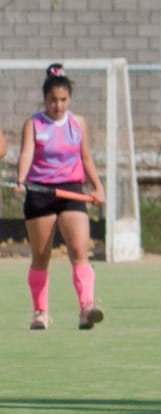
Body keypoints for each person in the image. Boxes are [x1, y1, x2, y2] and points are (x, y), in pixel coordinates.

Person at [15, 64, 107, 331]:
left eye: (63, 100)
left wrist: (97, 187)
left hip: (70, 191)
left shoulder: (78, 124)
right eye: (53, 100)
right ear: (45, 99)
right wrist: (21, 179)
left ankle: (86, 308)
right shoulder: (33, 124)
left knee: (79, 251)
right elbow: (26, 155)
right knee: (41, 257)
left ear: (69, 99)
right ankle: (41, 312)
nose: (58, 105)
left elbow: (86, 157)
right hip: (40, 192)